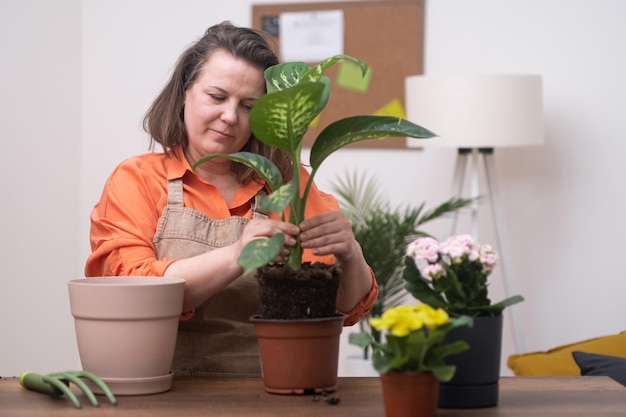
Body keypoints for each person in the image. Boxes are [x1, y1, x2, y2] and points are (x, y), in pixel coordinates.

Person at [85, 21, 378, 377]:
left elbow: (341, 308)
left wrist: (351, 253)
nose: (229, 117)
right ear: (184, 93)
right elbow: (131, 292)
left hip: (273, 386)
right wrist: (237, 255)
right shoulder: (138, 180)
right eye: (218, 96)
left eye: (248, 105)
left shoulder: (288, 185)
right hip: (162, 388)